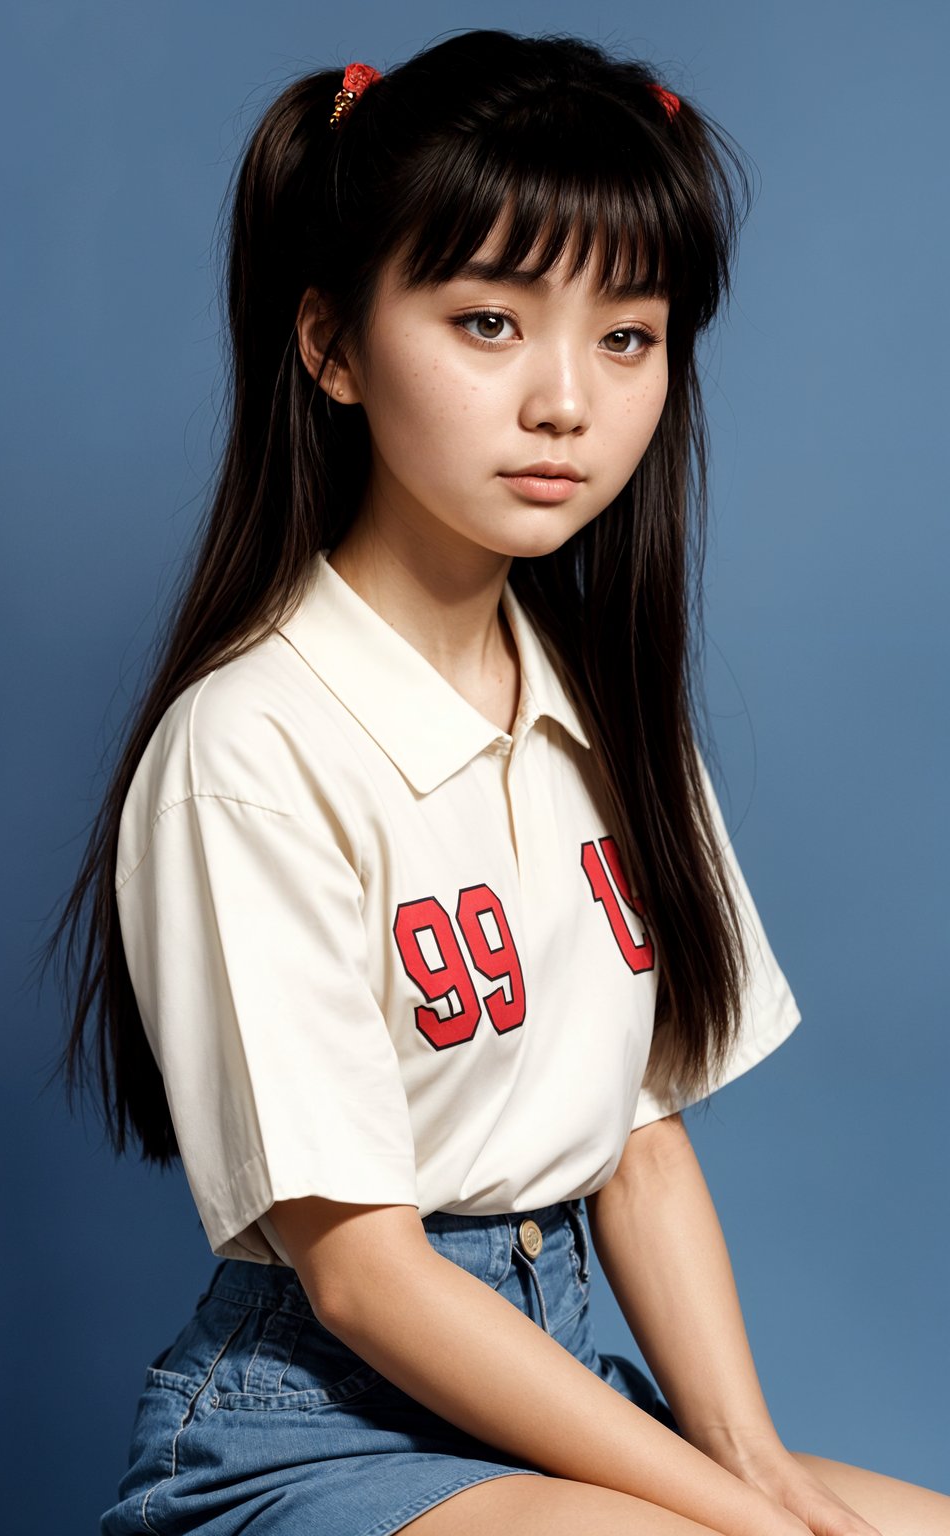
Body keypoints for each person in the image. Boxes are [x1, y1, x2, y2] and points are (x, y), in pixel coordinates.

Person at [46, 28, 949, 1536]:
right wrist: (734, 1522)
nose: (564, 403)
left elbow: (640, 1140)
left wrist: (765, 1472)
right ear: (331, 346)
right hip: (313, 1424)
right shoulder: (254, 742)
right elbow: (364, 1273)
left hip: (568, 1373)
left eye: (627, 335)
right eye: (486, 323)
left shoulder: (601, 701)